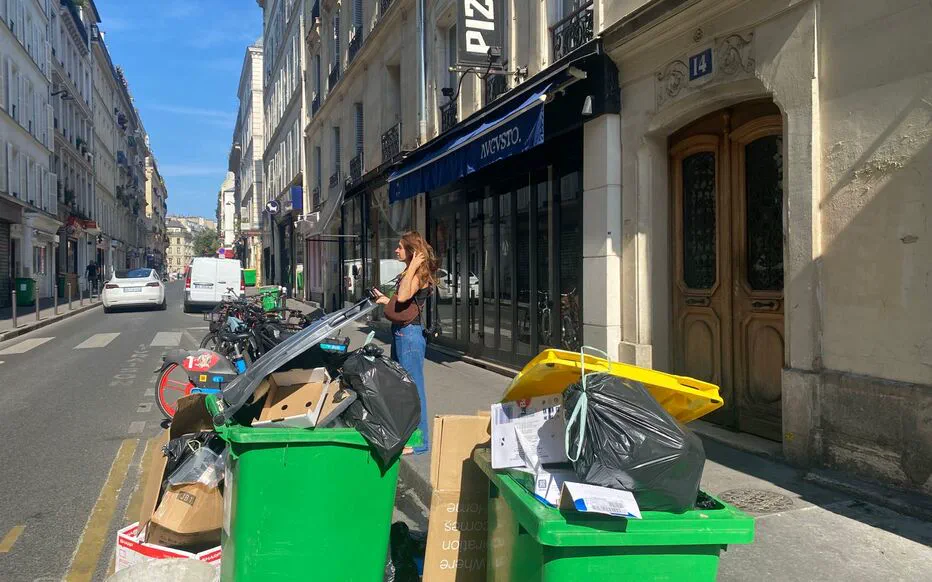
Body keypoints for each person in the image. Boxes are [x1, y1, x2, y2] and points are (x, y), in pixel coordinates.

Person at [372, 231, 439, 455]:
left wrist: (412, 267)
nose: (396, 250)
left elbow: (402, 297)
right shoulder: (411, 273)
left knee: (414, 389)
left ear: (411, 252)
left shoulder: (418, 274)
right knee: (401, 387)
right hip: (401, 333)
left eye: (400, 247)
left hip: (410, 336)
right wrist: (385, 300)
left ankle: (421, 442)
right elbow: (403, 303)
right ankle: (406, 435)